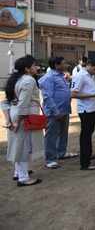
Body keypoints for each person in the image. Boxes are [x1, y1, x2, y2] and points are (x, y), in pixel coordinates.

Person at [3, 55, 43, 186]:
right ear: (27, 69)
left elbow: (5, 102)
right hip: (24, 117)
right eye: (34, 65)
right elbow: (23, 104)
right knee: (23, 147)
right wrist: (17, 121)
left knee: (18, 145)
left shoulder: (15, 79)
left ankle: (18, 172)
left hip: (16, 115)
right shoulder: (28, 80)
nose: (37, 67)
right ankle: (23, 178)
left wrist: (9, 120)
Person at [38, 57, 77, 170]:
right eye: (64, 63)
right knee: (51, 136)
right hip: (54, 113)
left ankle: (61, 152)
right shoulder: (49, 78)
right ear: (56, 65)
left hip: (64, 110)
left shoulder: (61, 76)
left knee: (63, 133)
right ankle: (50, 159)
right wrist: (55, 111)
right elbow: (47, 96)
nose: (66, 65)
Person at [71, 58, 95, 170]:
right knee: (85, 136)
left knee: (89, 133)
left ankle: (89, 155)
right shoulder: (80, 75)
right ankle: (84, 163)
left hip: (92, 109)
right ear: (89, 65)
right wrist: (93, 96)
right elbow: (73, 94)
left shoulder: (91, 75)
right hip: (85, 110)